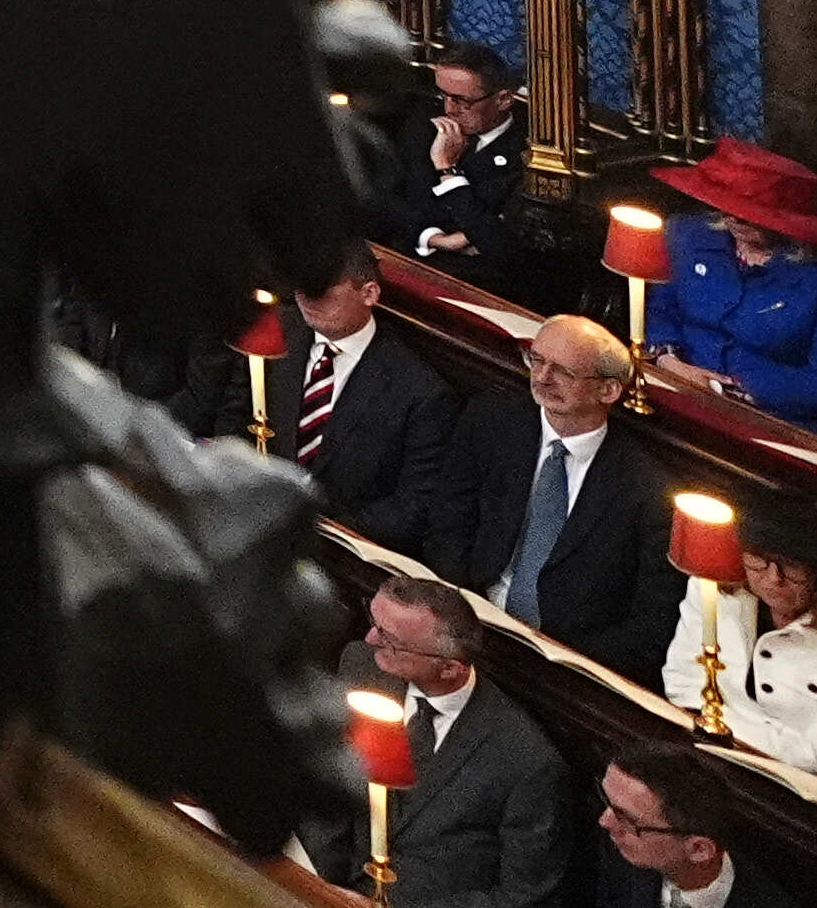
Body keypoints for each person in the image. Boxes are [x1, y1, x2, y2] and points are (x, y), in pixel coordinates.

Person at [466, 313, 670, 671]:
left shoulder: (647, 489)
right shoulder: (491, 420)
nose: (542, 378)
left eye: (563, 371)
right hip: (470, 617)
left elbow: (650, 620)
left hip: (567, 659)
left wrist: (571, 663)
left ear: (607, 390)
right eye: (537, 360)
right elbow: (448, 519)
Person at [358, 572, 575, 908]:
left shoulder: (527, 763)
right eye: (374, 622)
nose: (371, 639)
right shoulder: (361, 670)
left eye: (390, 639)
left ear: (449, 668)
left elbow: (524, 896)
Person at [268, 245, 486, 572]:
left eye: (320, 290)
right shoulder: (275, 332)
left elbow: (412, 506)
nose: (305, 298)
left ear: (369, 293)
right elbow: (234, 416)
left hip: (337, 556)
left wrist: (322, 533)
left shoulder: (421, 393)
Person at [661, 501, 817, 784]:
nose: (773, 578)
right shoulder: (712, 593)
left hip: (811, 802)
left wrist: (720, 727)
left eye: (791, 566)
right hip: (714, 768)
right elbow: (682, 687)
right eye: (759, 561)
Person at [652, 139, 817, 428]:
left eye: (748, 210)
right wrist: (668, 361)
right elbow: (660, 307)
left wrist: (734, 391)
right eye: (727, 203)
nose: (732, 216)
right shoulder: (688, 235)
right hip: (675, 390)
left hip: (772, 420)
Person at [411, 42, 550, 296]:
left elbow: (499, 247)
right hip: (413, 259)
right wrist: (434, 238)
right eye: (444, 95)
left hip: (476, 284)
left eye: (462, 101)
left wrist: (447, 169)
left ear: (503, 99)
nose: (449, 109)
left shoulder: (529, 156)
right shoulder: (427, 123)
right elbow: (386, 202)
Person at [593, 746, 741, 908]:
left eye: (626, 819)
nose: (604, 822)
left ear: (698, 849)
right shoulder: (620, 854)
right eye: (608, 802)